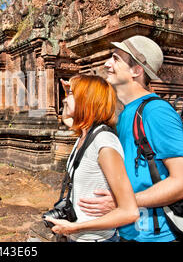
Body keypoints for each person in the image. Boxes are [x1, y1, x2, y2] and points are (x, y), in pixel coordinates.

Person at [77, 35, 183, 242]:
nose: (107, 64)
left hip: (157, 235)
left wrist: (125, 201)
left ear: (136, 70)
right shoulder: (124, 114)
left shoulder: (156, 111)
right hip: (127, 231)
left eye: (116, 59)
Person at [44, 75, 139, 242]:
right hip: (77, 237)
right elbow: (66, 117)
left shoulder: (104, 141)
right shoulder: (85, 134)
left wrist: (75, 227)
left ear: (86, 99)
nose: (65, 100)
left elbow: (129, 211)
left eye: (71, 95)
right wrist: (70, 92)